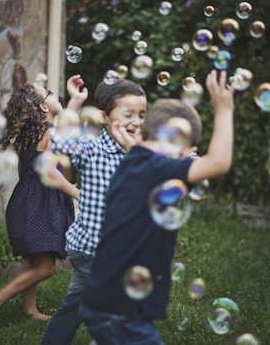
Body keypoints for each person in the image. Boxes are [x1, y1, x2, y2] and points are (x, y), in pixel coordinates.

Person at [79, 69, 236, 345]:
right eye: (189, 151)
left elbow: (140, 149)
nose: (187, 159)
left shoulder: (134, 161)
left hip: (105, 299)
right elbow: (220, 162)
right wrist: (223, 109)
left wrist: (133, 143)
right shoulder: (155, 168)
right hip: (121, 310)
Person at [40, 78, 147, 345]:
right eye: (128, 114)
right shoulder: (94, 148)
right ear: (104, 117)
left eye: (142, 114)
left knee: (74, 305)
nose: (136, 121)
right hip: (92, 250)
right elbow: (62, 141)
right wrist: (75, 101)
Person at [0, 75, 87, 330]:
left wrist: (76, 100)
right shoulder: (49, 133)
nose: (53, 93)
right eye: (49, 92)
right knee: (46, 268)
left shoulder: (34, 133)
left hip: (24, 201)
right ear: (42, 107)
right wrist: (77, 193)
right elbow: (50, 172)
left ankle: (29, 309)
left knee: (31, 262)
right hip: (42, 203)